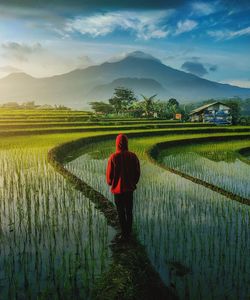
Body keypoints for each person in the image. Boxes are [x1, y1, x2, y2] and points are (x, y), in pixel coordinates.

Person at [106, 133, 140, 241]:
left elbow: (109, 176)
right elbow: (137, 173)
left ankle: (124, 234)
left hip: (118, 190)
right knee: (129, 211)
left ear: (117, 143)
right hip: (129, 190)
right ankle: (128, 233)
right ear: (126, 143)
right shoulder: (133, 156)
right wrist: (133, 182)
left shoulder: (113, 157)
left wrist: (111, 182)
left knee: (121, 212)